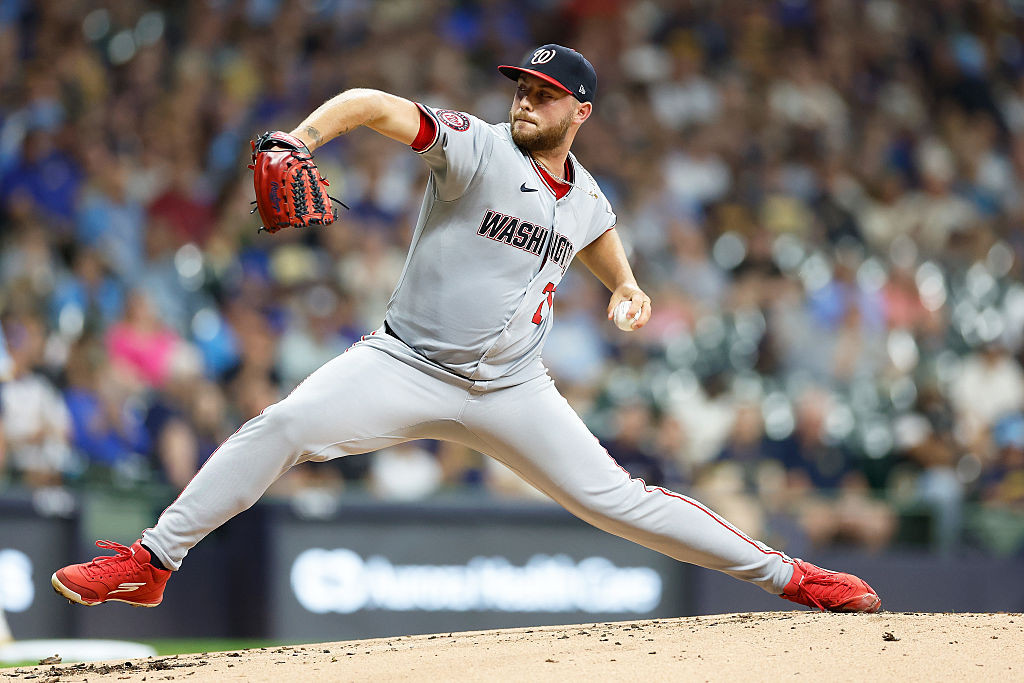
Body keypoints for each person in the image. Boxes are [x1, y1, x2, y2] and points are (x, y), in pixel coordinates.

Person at [51, 45, 880, 613]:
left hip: (515, 385)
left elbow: (593, 230)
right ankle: (153, 561)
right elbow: (376, 104)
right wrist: (298, 138)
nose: (525, 97)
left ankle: (791, 575)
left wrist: (626, 283)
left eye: (544, 92)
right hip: (405, 362)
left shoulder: (587, 194)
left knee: (619, 501)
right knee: (287, 424)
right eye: (521, 86)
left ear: (579, 111)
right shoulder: (476, 148)